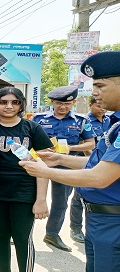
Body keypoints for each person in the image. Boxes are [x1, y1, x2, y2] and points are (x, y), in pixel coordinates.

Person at [20, 50, 120, 272]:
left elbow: (100, 177)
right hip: (99, 219)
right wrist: (58, 158)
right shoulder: (115, 123)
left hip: (113, 221)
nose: (95, 93)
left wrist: (44, 171)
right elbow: (96, 165)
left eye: (101, 86)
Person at [0, 87, 52, 272]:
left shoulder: (32, 128)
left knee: (22, 238)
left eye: (14, 102)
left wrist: (41, 200)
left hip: (24, 192)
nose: (9, 106)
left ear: (21, 105)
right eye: (3, 102)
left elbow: (44, 166)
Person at [32, 85, 95, 250]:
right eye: (59, 103)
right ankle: (23, 233)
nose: (63, 107)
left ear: (73, 103)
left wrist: (71, 148)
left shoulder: (81, 121)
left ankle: (52, 235)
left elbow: (90, 143)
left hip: (67, 165)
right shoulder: (38, 119)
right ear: (52, 102)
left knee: (60, 203)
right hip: (40, 165)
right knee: (31, 198)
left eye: (67, 104)